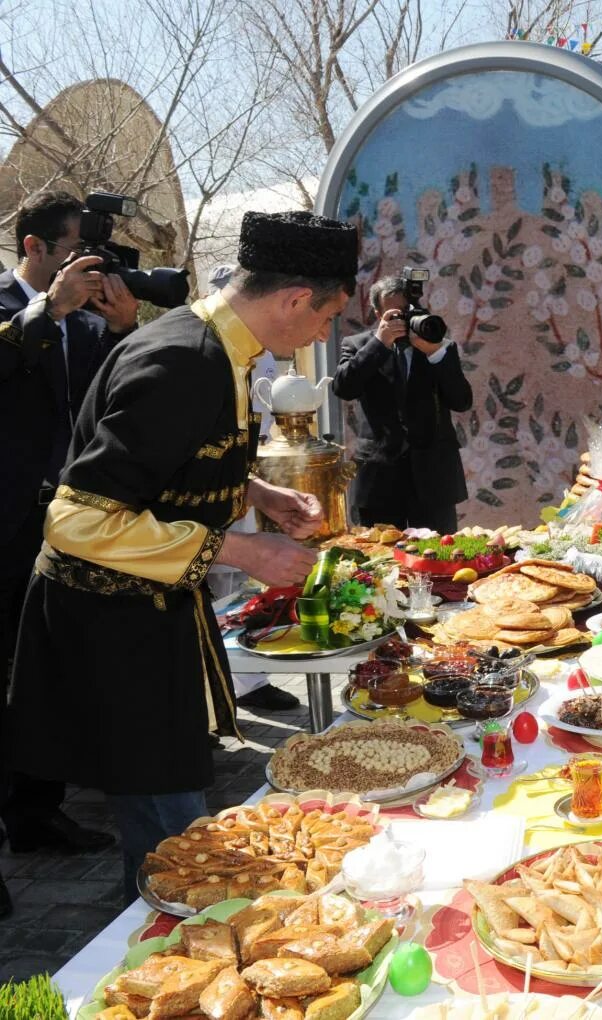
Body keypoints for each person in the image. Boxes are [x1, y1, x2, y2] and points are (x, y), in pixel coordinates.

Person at [3, 210, 357, 892]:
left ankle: (166, 907)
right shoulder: (180, 360)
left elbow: (176, 457)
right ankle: (165, 948)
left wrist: (262, 494)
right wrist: (242, 551)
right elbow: (74, 522)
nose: (322, 334)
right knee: (168, 819)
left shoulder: (223, 350)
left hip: (151, 609)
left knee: (172, 795)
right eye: (326, 317)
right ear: (292, 299)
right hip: (110, 622)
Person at [0, 191, 136, 872]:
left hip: (66, 521)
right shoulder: (13, 308)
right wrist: (47, 309)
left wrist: (118, 328)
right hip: (6, 523)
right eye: (76, 252)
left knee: (46, 671)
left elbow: (105, 396)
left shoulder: (80, 325)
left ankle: (36, 811)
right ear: (35, 249)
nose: (89, 267)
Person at [202, 263, 300, 714]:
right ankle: (220, 688)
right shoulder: (198, 354)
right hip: (192, 517)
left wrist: (259, 491)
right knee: (219, 586)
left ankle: (244, 681)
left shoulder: (256, 352)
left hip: (240, 477)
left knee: (238, 588)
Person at [332, 275, 473, 532]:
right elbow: (343, 387)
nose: (403, 322)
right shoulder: (358, 346)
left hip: (433, 475)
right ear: (378, 313)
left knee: (439, 557)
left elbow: (462, 401)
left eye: (407, 313)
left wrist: (436, 354)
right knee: (379, 559)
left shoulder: (438, 347)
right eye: (394, 315)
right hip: (380, 478)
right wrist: (379, 344)